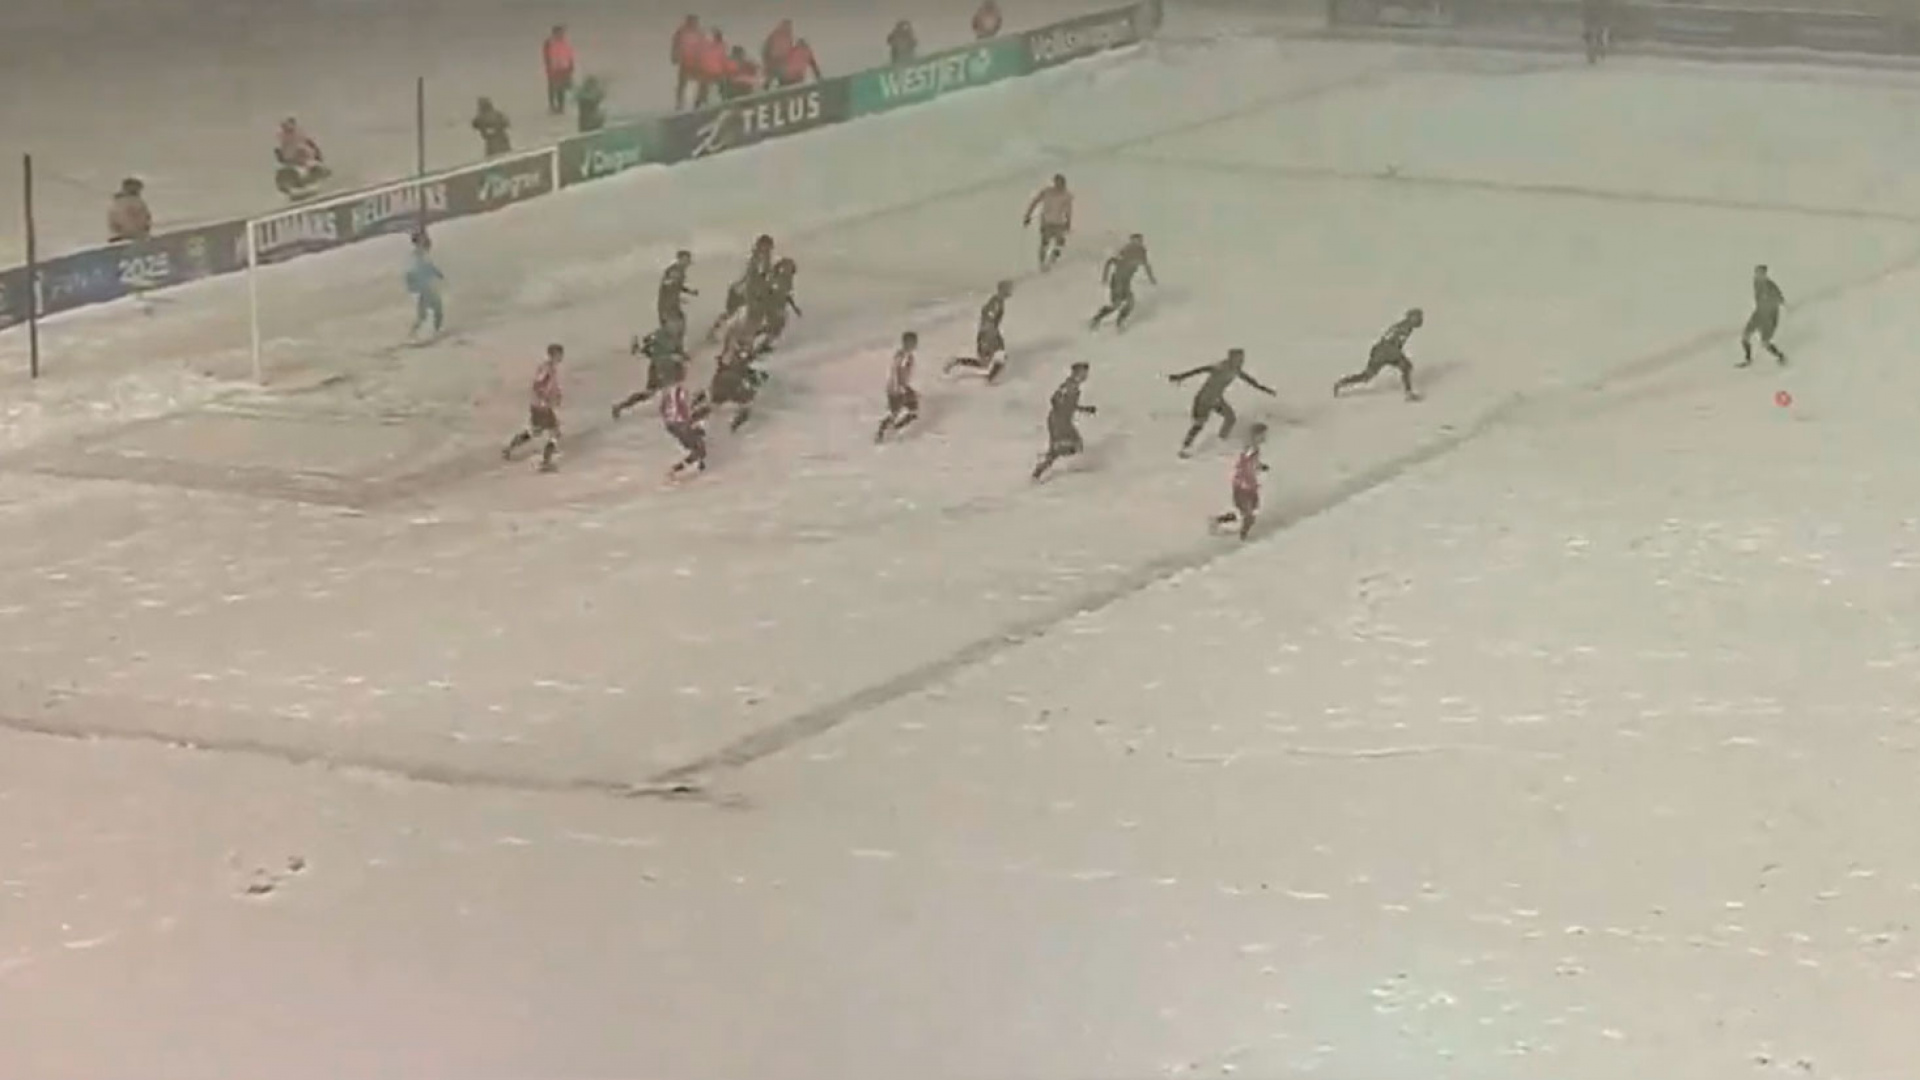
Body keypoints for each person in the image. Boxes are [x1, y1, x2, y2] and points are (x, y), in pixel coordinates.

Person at [1169, 348, 1276, 456]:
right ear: (1231, 359)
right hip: (1204, 399)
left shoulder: (1236, 370)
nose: (1241, 362)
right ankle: (1185, 447)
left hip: (1217, 400)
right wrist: (1181, 376)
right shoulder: (1221, 367)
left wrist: (1264, 389)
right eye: (1238, 359)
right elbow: (1201, 370)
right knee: (1199, 424)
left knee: (1230, 418)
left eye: (1242, 359)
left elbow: (1250, 381)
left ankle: (1220, 442)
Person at [1333, 308, 1423, 401]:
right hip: (1387, 351)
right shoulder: (1405, 328)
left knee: (1367, 376)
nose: (1421, 320)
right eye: (1418, 317)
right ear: (1412, 318)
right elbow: (1393, 342)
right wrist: (1398, 356)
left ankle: (1341, 383)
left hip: (1380, 351)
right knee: (1406, 367)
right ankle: (1408, 393)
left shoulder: (1401, 325)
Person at [503, 344, 565, 472]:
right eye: (560, 354)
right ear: (554, 355)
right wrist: (544, 398)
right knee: (555, 433)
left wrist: (556, 395)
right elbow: (537, 384)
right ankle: (545, 462)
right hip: (542, 407)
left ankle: (509, 448)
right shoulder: (547, 368)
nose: (561, 357)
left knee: (534, 431)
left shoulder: (549, 368)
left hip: (538, 405)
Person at [1032, 361, 1095, 481]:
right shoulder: (1070, 386)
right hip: (1060, 421)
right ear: (1076, 372)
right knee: (1073, 444)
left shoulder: (1072, 386)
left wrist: (1084, 409)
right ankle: (1076, 466)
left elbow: (1067, 403)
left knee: (1062, 448)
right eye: (1083, 373)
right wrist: (1061, 411)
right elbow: (1055, 399)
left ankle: (1039, 471)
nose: (1085, 376)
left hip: (1060, 419)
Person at [1211, 423, 1270, 541]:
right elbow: (1245, 460)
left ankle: (1220, 521)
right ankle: (1244, 538)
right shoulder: (1251, 448)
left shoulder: (1255, 449)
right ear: (1256, 435)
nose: (1265, 437)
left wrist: (1260, 467)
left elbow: (1251, 462)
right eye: (1262, 435)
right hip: (1243, 485)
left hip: (1250, 485)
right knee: (1248, 515)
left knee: (1249, 512)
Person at [946, 280, 1012, 382]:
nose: (1011, 291)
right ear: (1002, 290)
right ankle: (958, 362)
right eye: (1009, 288)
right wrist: (990, 333)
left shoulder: (998, 301)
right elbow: (987, 316)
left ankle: (957, 362)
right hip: (988, 335)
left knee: (998, 357)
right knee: (991, 360)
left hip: (990, 334)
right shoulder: (996, 302)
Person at [1089, 233, 1155, 331]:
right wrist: (1105, 277)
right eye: (1135, 241)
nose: (1137, 243)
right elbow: (1110, 261)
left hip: (1126, 282)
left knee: (1130, 302)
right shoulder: (1126, 250)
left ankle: (1120, 321)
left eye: (1139, 241)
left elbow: (1146, 265)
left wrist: (1151, 278)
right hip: (1117, 281)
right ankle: (1097, 319)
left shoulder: (1141, 252)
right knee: (1116, 304)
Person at [875, 331, 922, 442]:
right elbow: (895, 372)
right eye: (914, 342)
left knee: (913, 411)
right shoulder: (903, 357)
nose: (916, 344)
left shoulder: (906, 355)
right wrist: (899, 387)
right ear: (907, 343)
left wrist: (907, 388)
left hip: (902, 387)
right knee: (894, 413)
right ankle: (881, 433)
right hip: (896, 388)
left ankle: (895, 428)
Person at [1740, 264, 1788, 367]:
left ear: (1765, 275)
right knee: (1745, 336)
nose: (1758, 276)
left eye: (1761, 273)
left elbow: (1780, 300)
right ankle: (1748, 359)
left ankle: (1780, 357)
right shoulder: (1756, 283)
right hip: (1758, 314)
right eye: (1757, 273)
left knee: (1765, 342)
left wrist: (1775, 305)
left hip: (1769, 317)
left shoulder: (1770, 286)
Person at [1023, 174, 1073, 271]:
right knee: (1045, 243)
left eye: (1062, 183)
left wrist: (1068, 222)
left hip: (1059, 222)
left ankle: (1052, 262)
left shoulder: (1067, 195)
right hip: (1046, 222)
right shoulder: (1046, 192)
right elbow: (1035, 202)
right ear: (1055, 183)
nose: (1060, 185)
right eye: (1058, 183)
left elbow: (1069, 210)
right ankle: (1042, 264)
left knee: (1060, 243)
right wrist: (1028, 216)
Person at [405, 231, 445, 339]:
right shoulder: (419, 255)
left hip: (423, 287)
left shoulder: (418, 254)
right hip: (424, 288)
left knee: (424, 314)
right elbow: (425, 268)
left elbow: (425, 268)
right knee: (436, 309)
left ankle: (414, 333)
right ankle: (434, 332)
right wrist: (437, 273)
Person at [672, 15, 706, 110]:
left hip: (696, 63)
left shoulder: (699, 33)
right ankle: (679, 104)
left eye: (695, 22)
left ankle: (699, 103)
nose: (694, 24)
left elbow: (704, 47)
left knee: (702, 83)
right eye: (692, 22)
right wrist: (674, 56)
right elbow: (675, 43)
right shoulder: (681, 32)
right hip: (685, 62)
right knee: (682, 84)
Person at [543, 25, 576, 115]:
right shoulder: (549, 43)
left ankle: (561, 106)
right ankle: (552, 105)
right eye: (559, 33)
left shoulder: (565, 42)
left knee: (561, 89)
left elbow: (569, 54)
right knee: (553, 87)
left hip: (564, 68)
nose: (561, 35)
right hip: (554, 68)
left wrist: (571, 66)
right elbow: (546, 56)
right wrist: (549, 68)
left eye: (562, 33)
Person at [107, 178, 152, 243]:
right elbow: (145, 219)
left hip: (123, 236)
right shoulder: (133, 202)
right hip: (133, 236)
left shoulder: (117, 202)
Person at [762, 19, 795, 87]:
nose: (788, 28)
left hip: (783, 61)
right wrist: (767, 60)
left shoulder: (789, 37)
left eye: (789, 26)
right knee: (770, 78)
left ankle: (781, 91)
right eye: (786, 26)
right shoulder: (774, 35)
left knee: (782, 79)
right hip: (773, 60)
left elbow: (790, 49)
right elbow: (766, 47)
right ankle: (765, 91)